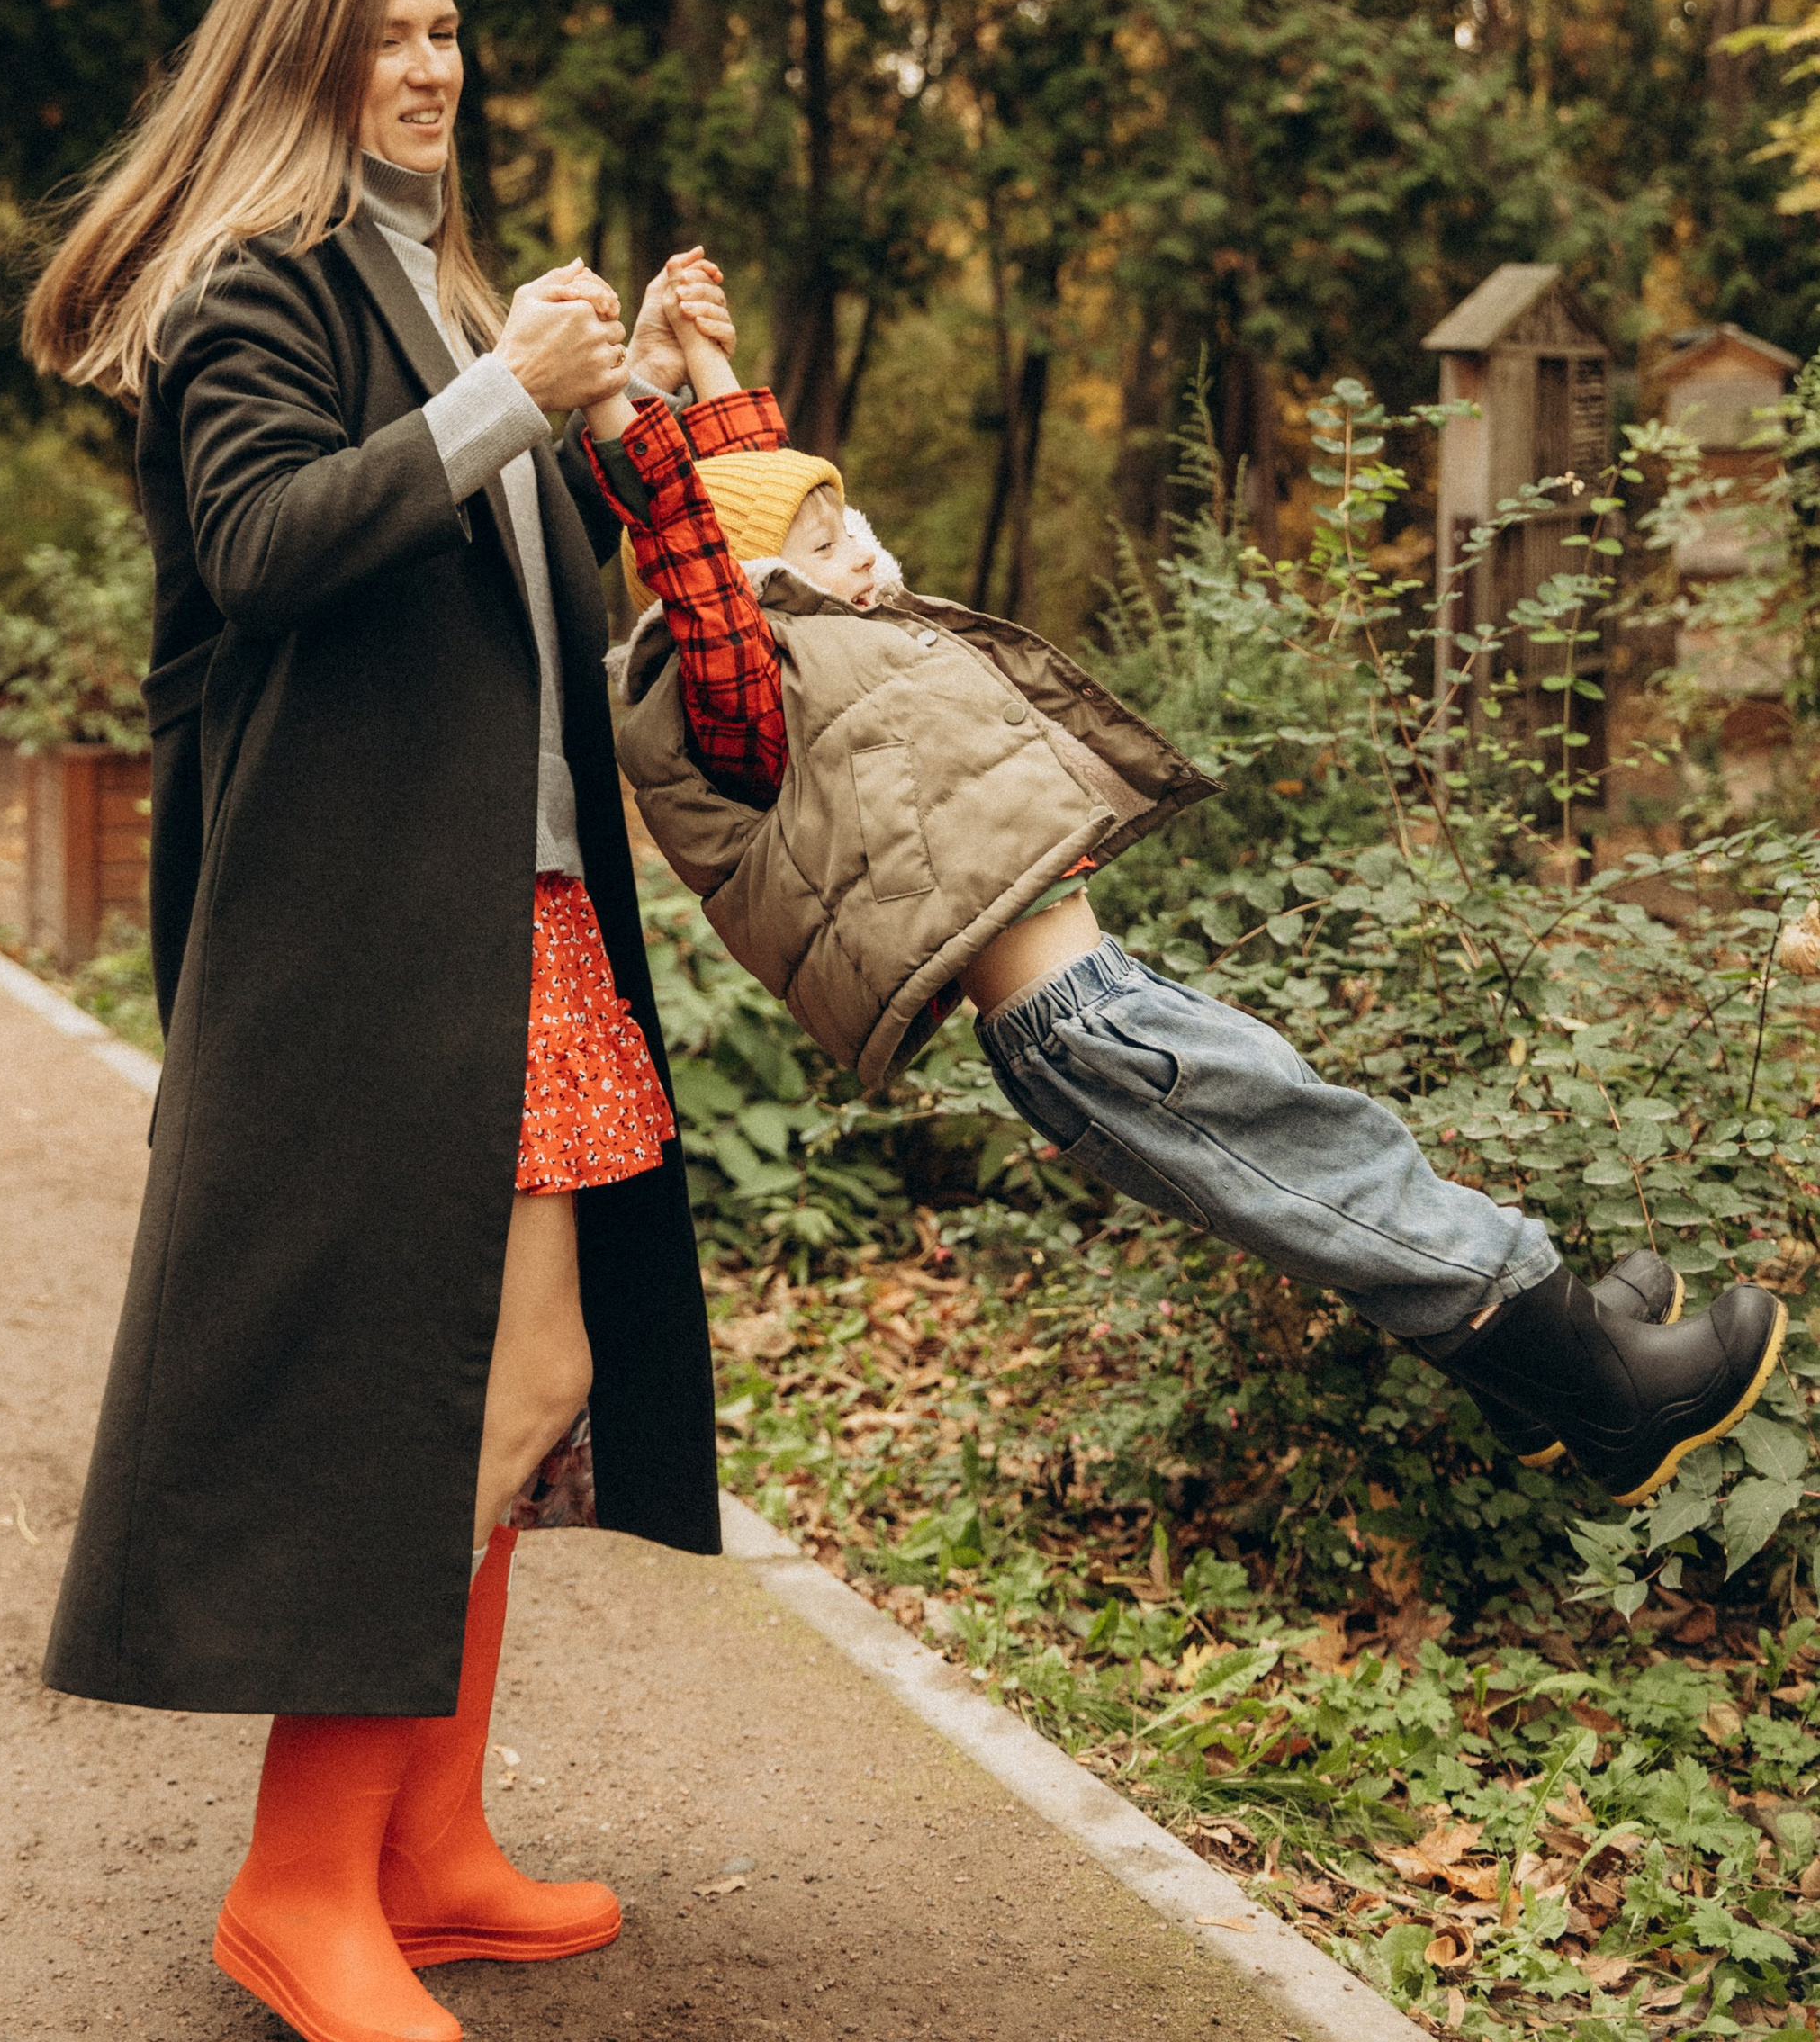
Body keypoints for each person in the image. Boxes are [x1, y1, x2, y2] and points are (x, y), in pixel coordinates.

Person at [22, 0, 722, 2042]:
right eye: (382, 40)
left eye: (444, 33)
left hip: (514, 917)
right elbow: (262, 546)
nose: (427, 69)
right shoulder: (262, 287)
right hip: (365, 938)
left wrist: (631, 410)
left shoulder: (436, 292)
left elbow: (509, 583)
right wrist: (506, 393)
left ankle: (424, 1849)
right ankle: (296, 1882)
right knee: (451, 1392)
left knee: (537, 1374)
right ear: (297, 60)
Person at [584, 268, 1787, 1513]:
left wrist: (707, 364)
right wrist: (626, 406)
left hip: (1095, 1005)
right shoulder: (726, 691)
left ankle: (1546, 1375)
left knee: (1321, 1162)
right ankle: (1609, 1390)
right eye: (832, 547)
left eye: (854, 526)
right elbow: (701, 543)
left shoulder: (800, 639)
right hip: (1081, 1025)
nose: (869, 553)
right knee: (1332, 1159)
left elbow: (750, 497)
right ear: (748, 586)